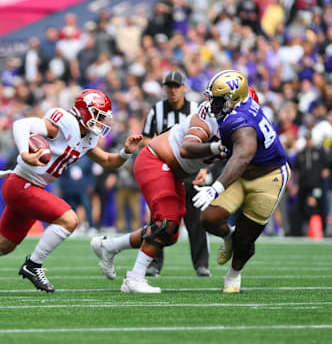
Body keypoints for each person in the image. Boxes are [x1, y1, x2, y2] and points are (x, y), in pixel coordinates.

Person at [0, 89, 143, 295]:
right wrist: (24, 153)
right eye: (99, 117)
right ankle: (33, 266)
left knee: (5, 244)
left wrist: (126, 152)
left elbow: (108, 161)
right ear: (85, 112)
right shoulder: (65, 122)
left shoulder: (87, 137)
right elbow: (21, 124)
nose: (101, 123)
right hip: (21, 183)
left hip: (29, 187)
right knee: (69, 219)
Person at [91, 92, 228, 293]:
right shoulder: (206, 115)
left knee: (169, 233)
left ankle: (109, 247)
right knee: (166, 222)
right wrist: (217, 148)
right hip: (156, 161)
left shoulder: (234, 127)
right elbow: (187, 149)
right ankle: (134, 279)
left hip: (175, 171)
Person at [193, 70, 289, 293]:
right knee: (209, 218)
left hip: (268, 178)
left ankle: (234, 273)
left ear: (234, 98)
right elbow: (229, 150)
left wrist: (215, 188)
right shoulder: (239, 105)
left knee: (245, 241)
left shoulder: (240, 120)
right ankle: (228, 236)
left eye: (218, 100)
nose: (212, 105)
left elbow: (243, 155)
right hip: (241, 174)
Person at [140, 71, 211, 277]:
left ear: (184, 88)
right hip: (165, 170)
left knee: (196, 219)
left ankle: (201, 264)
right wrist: (161, 148)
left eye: (176, 86)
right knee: (159, 218)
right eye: (168, 86)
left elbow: (206, 140)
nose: (172, 90)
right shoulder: (156, 110)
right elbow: (145, 139)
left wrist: (205, 168)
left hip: (190, 170)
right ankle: (154, 263)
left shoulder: (196, 110)